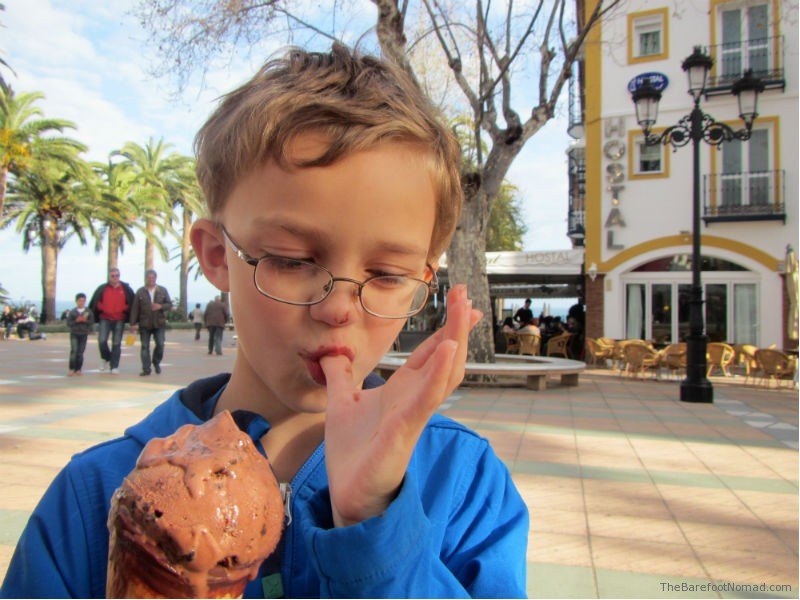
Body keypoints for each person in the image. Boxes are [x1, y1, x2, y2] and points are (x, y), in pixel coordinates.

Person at [1, 45, 528, 598]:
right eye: (292, 260)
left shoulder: (463, 484)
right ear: (214, 255)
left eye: (388, 274)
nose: (338, 308)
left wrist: (375, 528)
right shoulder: (96, 497)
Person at [89, 268, 135, 374]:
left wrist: (126, 310)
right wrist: (102, 307)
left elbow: (132, 303)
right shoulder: (102, 288)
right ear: (109, 277)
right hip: (105, 318)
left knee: (116, 343)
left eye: (117, 275)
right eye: (113, 276)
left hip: (119, 319)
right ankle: (107, 358)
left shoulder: (126, 289)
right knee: (101, 340)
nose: (115, 278)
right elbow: (95, 302)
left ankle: (114, 366)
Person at [129, 270, 173, 376]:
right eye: (149, 277)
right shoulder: (140, 291)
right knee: (144, 346)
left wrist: (160, 306)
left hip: (159, 323)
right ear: (146, 278)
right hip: (145, 323)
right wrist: (133, 323)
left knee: (160, 344)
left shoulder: (162, 290)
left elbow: (169, 304)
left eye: (153, 277)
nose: (151, 279)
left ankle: (156, 362)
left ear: (156, 278)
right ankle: (146, 369)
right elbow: (135, 308)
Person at [66, 293, 95, 376]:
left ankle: (78, 369)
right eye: (79, 301)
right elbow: (68, 323)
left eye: (83, 301)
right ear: (76, 301)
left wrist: (85, 321)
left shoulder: (88, 312)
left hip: (84, 334)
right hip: (74, 333)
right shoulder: (73, 312)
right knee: (74, 351)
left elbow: (92, 322)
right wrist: (76, 321)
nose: (81, 302)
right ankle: (71, 368)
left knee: (80, 352)